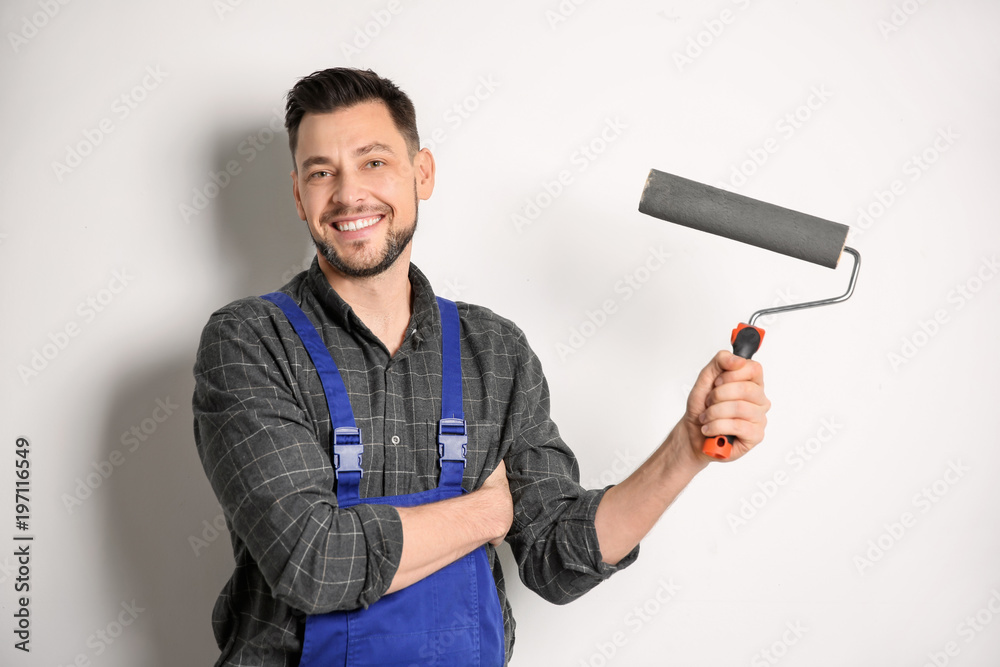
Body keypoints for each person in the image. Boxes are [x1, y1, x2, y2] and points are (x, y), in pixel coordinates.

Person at [192, 67, 770, 666]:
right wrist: (489, 510)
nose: (348, 194)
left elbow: (557, 561)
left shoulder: (492, 351)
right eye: (321, 172)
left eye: (373, 162)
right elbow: (313, 564)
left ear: (423, 174)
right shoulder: (250, 343)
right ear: (298, 195)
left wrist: (686, 448)